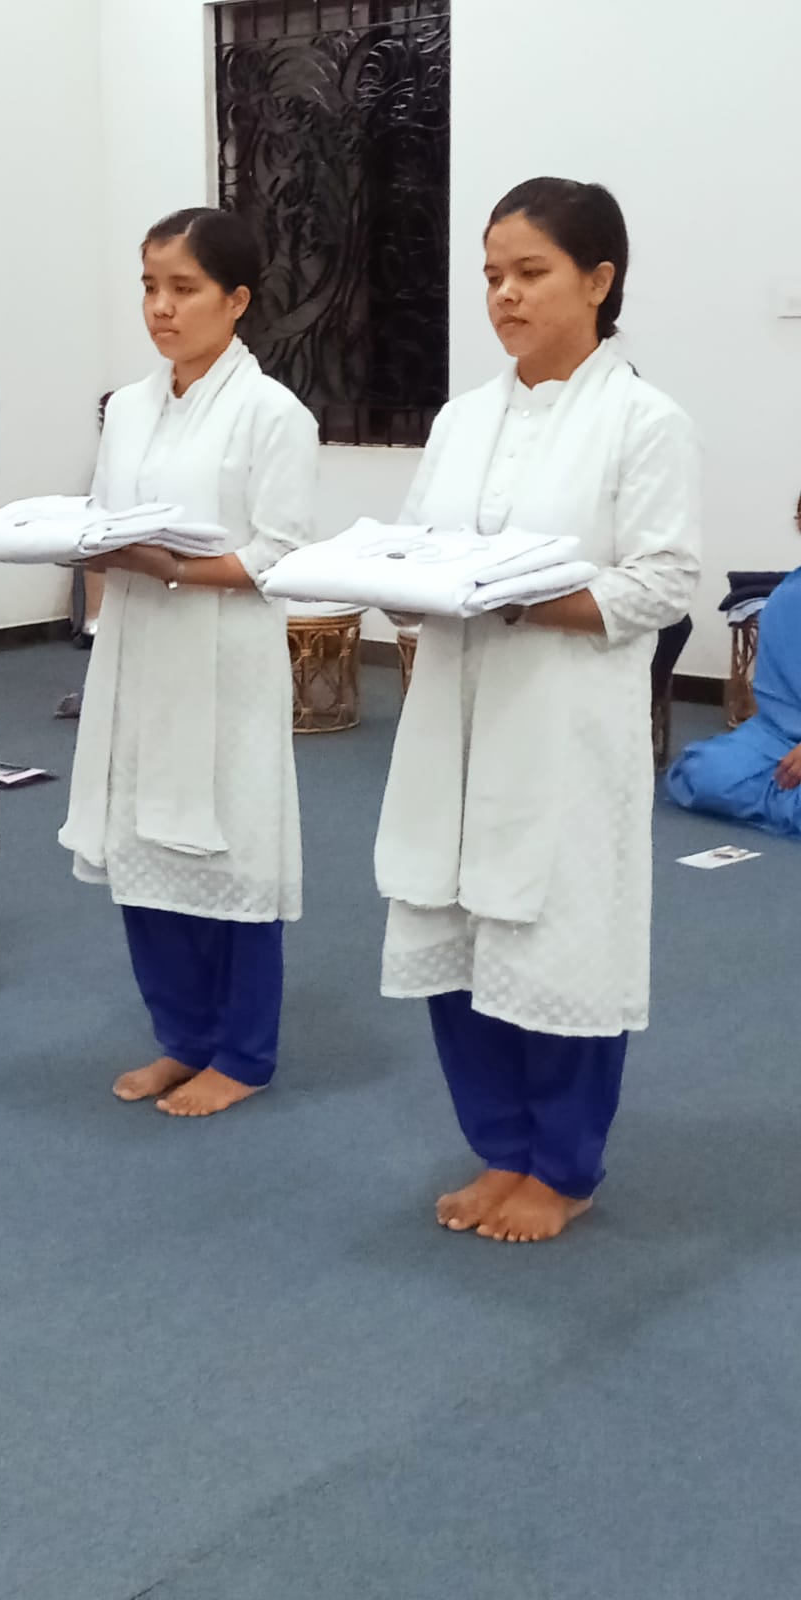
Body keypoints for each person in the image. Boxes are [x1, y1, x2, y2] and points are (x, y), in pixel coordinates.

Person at [375, 178, 701, 1241]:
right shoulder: (463, 419)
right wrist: (395, 582)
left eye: (530, 272)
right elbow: (418, 548)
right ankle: (502, 1148)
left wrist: (515, 599)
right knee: (454, 923)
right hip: (454, 717)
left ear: (599, 280)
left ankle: (563, 1167)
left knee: (559, 936)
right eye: (491, 276)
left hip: (566, 723)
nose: (504, 295)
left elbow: (662, 582)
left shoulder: (643, 421)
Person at [59, 207, 317, 1117]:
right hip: (138, 651)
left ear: (236, 300)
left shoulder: (272, 414)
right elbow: (105, 521)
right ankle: (181, 1038)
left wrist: (170, 566)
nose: (161, 307)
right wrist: (93, 557)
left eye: (183, 288)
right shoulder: (129, 408)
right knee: (143, 847)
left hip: (224, 660)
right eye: (149, 287)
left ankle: (241, 1055)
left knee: (232, 854)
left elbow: (282, 554)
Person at [665, 494, 801, 835]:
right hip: (779, 740)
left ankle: (783, 796)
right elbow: (779, 709)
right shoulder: (788, 600)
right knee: (701, 772)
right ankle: (786, 797)